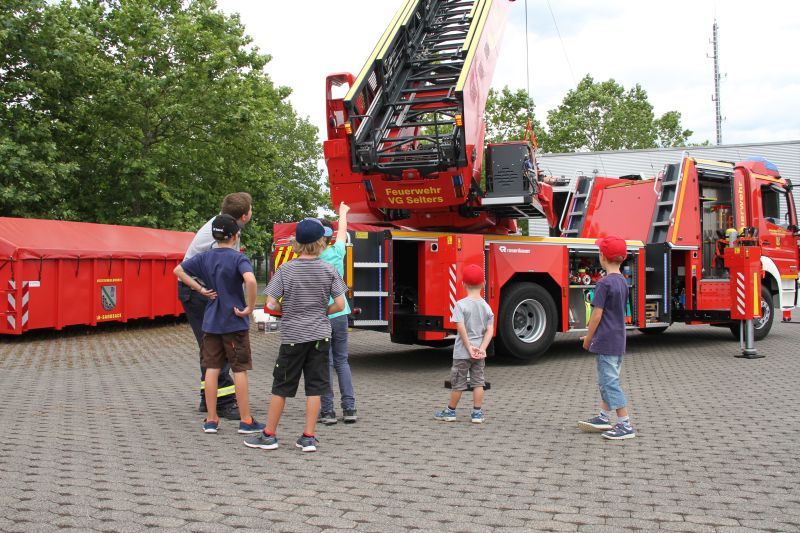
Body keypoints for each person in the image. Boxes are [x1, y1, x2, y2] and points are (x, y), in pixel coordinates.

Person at [244, 218, 348, 453]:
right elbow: (340, 304)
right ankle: (308, 437)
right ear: (321, 242)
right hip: (321, 335)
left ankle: (269, 435)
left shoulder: (286, 269)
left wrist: (286, 311)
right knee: (315, 386)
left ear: (296, 243)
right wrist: (323, 311)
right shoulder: (328, 269)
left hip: (293, 336)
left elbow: (270, 302)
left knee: (282, 386)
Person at [173, 214, 264, 435]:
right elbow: (251, 281)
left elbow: (178, 270)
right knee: (239, 369)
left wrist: (200, 289)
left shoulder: (205, 257)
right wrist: (250, 307)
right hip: (234, 321)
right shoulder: (238, 258)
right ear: (236, 236)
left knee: (212, 369)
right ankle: (245, 420)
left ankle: (211, 419)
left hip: (211, 321)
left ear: (214, 236)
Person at [578, 235, 636, 440]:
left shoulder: (603, 284)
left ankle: (625, 424)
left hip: (605, 340)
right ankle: (604, 417)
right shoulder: (622, 281)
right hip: (618, 339)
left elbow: (597, 315)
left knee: (609, 382)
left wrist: (588, 338)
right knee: (606, 380)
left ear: (602, 256)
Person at [434, 263, 494, 424]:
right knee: (478, 382)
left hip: (462, 352)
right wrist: (482, 349)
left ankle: (450, 411)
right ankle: (477, 413)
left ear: (463, 284)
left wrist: (468, 347)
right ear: (484, 283)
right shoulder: (487, 307)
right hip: (479, 354)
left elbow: (460, 328)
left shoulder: (460, 305)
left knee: (458, 383)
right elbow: (490, 330)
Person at [318, 202, 358, 425]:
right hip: (341, 314)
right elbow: (343, 231)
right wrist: (343, 213)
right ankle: (350, 408)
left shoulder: (312, 260)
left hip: (321, 317)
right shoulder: (337, 252)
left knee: (326, 362)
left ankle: (328, 411)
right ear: (329, 237)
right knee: (342, 361)